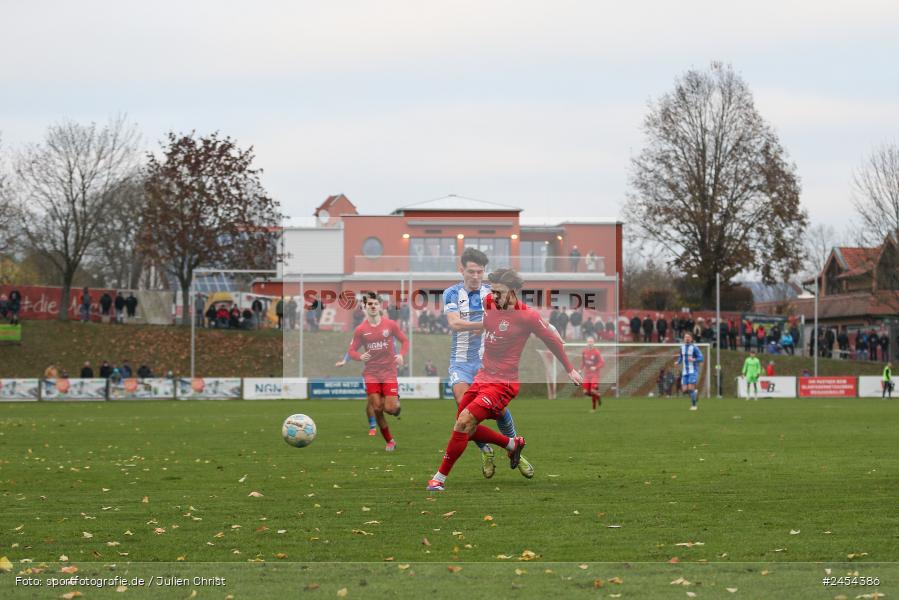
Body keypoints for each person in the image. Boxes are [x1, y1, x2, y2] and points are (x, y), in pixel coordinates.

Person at [426, 268, 582, 491]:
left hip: (503, 384)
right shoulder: (489, 301)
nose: (494, 297)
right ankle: (511, 443)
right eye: (494, 292)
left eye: (500, 293)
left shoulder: (527, 315)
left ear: (516, 291)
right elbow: (484, 322)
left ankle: (438, 480)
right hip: (482, 376)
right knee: (464, 428)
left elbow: (551, 340)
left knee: (463, 422)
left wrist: (570, 369)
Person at [443, 247, 531, 479]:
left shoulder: (492, 293)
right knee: (465, 412)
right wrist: (485, 324)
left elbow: (517, 316)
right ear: (461, 269)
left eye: (480, 272)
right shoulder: (451, 293)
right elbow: (454, 323)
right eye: (471, 271)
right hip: (460, 362)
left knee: (500, 411)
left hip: (489, 363)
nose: (475, 276)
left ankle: (514, 450)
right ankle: (486, 450)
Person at [345, 292, 408, 451]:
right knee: (377, 408)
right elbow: (351, 350)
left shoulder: (390, 324)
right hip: (371, 373)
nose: (372, 306)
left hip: (388, 371)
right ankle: (390, 441)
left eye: (375, 304)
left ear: (380, 306)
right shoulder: (360, 329)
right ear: (364, 308)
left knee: (391, 409)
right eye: (369, 304)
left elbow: (404, 340)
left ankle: (395, 402)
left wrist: (400, 354)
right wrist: (360, 356)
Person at [677, 332, 704, 411]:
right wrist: (678, 362)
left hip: (693, 371)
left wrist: (694, 359)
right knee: (684, 390)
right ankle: (694, 393)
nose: (687, 338)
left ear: (691, 339)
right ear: (684, 339)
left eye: (689, 337)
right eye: (686, 337)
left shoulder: (695, 348)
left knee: (690, 388)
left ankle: (694, 405)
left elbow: (701, 358)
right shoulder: (682, 347)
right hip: (685, 372)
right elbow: (681, 357)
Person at [580, 336, 605, 411]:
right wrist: (580, 370)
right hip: (587, 375)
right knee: (585, 392)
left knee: (593, 391)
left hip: (595, 375)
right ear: (587, 343)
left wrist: (595, 367)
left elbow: (602, 363)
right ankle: (598, 396)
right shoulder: (584, 351)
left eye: (591, 342)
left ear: (593, 343)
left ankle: (594, 408)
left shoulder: (596, 352)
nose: (590, 343)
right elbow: (583, 362)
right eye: (589, 342)